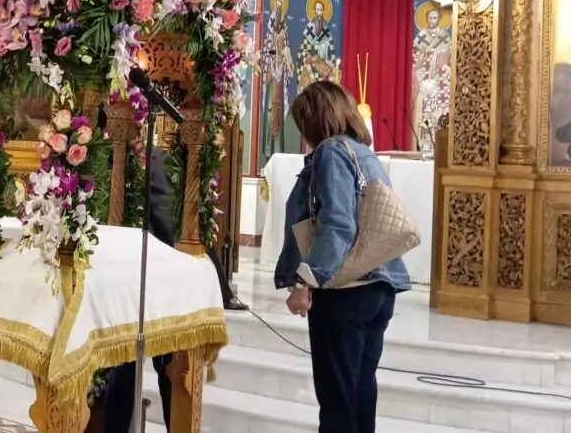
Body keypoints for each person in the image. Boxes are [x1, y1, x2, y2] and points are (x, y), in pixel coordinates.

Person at [274, 81, 411, 433]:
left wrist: (306, 281)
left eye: (303, 123)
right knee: (361, 392)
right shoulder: (363, 152)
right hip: (378, 287)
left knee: (337, 401)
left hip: (346, 291)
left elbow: (337, 224)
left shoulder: (332, 151)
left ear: (315, 119)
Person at [101, 144, 246, 431]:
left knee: (133, 368)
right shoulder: (164, 162)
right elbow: (175, 227)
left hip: (136, 282)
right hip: (159, 283)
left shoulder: (133, 156)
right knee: (156, 371)